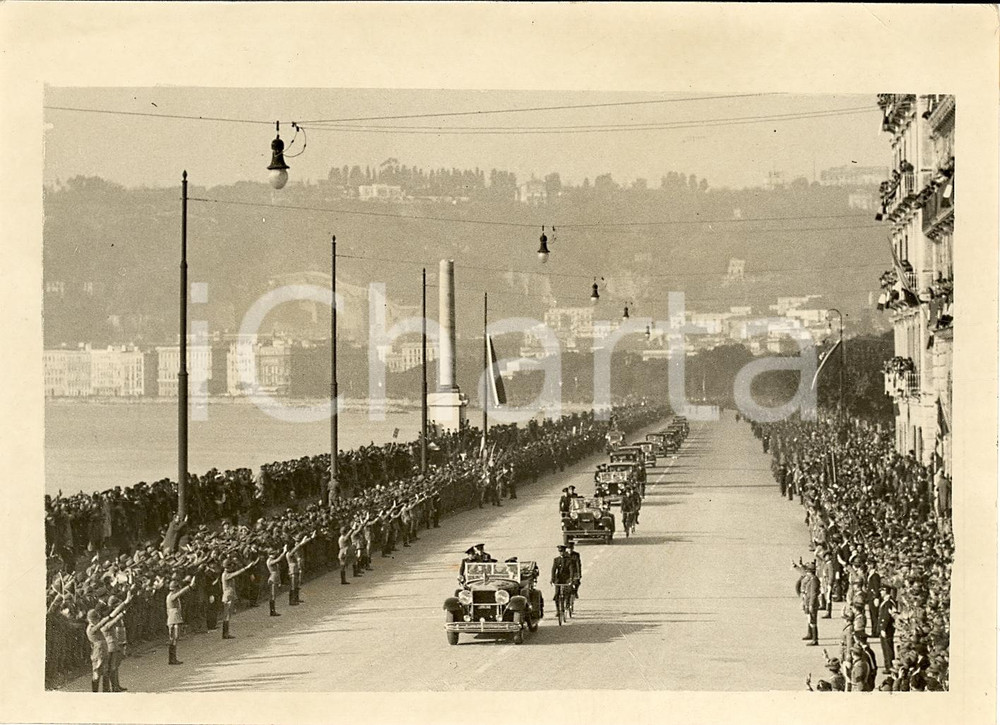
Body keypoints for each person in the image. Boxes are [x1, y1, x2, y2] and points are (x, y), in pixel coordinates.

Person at [86, 591, 132, 692]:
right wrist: (122, 609)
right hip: (98, 653)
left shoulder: (95, 626)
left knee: (105, 671)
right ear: (92, 619)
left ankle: (106, 691)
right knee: (97, 674)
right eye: (96, 619)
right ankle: (95, 693)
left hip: (103, 651)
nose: (98, 620)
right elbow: (108, 619)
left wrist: (124, 604)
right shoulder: (91, 629)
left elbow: (110, 617)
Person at [218, 556, 260, 640]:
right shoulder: (226, 574)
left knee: (228, 615)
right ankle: (225, 634)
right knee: (227, 616)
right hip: (228, 596)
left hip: (230, 595)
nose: (232, 567)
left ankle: (226, 633)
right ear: (227, 566)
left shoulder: (226, 573)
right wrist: (246, 568)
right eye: (231, 565)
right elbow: (237, 573)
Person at [103, 593, 133, 692]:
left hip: (120, 642)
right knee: (113, 666)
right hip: (115, 643)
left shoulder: (117, 616)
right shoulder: (112, 617)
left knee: (116, 666)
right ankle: (113, 686)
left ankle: (116, 685)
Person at [166, 575, 196, 666]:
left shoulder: (170, 596)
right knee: (174, 638)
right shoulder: (172, 596)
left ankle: (172, 658)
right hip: (174, 619)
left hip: (174, 618)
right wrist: (189, 586)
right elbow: (181, 593)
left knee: (174, 638)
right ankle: (172, 659)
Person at [799, 561, 820, 646]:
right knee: (809, 618)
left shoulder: (813, 580)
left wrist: (811, 604)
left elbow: (813, 594)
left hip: (812, 603)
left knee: (813, 620)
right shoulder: (810, 579)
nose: (807, 573)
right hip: (808, 602)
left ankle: (815, 639)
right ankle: (810, 634)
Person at [877, 584, 897, 674]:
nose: (881, 592)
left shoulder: (888, 602)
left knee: (887, 647)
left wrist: (883, 628)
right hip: (885, 628)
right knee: (885, 647)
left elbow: (886, 617)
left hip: (887, 629)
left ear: (886, 591)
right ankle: (887, 665)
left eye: (882, 590)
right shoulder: (885, 601)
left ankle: (889, 666)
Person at [550, 545, 575, 615]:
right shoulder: (556, 560)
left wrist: (571, 579)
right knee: (557, 594)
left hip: (567, 578)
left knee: (568, 591)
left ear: (565, 551)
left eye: (563, 551)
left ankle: (567, 604)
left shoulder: (569, 560)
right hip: (559, 578)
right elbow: (553, 569)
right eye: (560, 551)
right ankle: (558, 610)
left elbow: (571, 570)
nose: (561, 553)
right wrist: (552, 579)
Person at [266, 545, 285, 615]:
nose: (274, 555)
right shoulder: (269, 561)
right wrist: (284, 552)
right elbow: (278, 559)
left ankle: (273, 610)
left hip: (275, 578)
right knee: (272, 595)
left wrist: (279, 581)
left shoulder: (271, 560)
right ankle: (272, 611)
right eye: (272, 554)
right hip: (273, 578)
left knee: (274, 595)